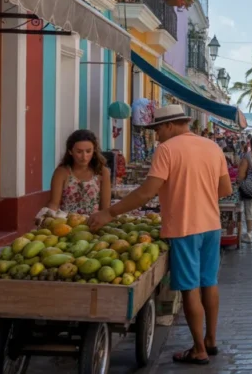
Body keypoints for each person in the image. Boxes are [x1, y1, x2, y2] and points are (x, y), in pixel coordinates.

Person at [88, 105, 231, 366]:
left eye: (157, 129)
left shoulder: (166, 150)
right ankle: (210, 340)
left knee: (189, 288)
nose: (156, 135)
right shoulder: (212, 147)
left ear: (169, 126)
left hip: (184, 227)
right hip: (211, 225)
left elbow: (146, 192)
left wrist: (109, 213)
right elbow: (224, 188)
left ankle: (198, 350)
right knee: (209, 282)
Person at [39, 129, 112, 218]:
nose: (84, 157)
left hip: (93, 224)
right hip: (65, 226)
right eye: (79, 152)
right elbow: (54, 204)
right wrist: (46, 216)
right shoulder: (62, 172)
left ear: (94, 152)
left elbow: (105, 207)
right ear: (70, 151)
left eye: (88, 151)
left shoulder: (102, 172)